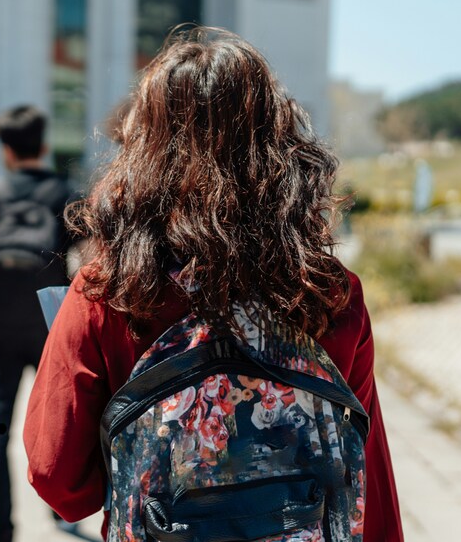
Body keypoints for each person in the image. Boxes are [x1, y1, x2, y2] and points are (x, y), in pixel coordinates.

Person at [23, 27, 403, 541]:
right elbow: (365, 470)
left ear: (145, 150)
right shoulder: (329, 292)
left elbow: (59, 479)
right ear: (280, 143)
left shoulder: (109, 291)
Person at [0, 105, 78, 542]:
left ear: (6, 151)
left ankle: (3, 526)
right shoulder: (64, 193)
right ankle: (63, 511)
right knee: (64, 422)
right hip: (50, 326)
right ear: (43, 146)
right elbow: (82, 261)